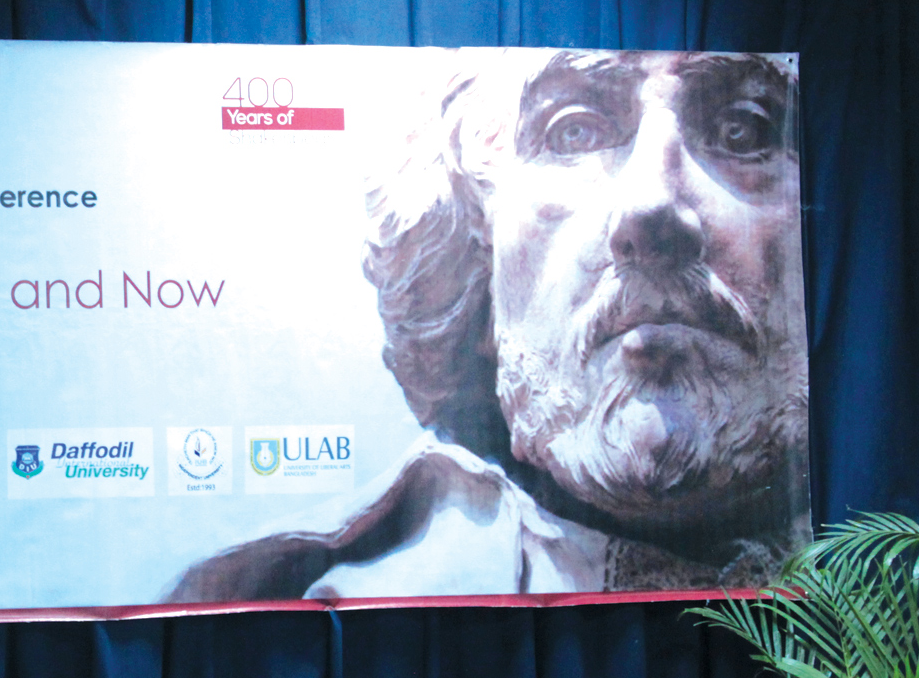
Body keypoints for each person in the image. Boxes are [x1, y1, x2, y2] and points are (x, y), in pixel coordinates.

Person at [169, 49, 810, 601]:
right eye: (574, 133)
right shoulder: (312, 604)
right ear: (478, 269)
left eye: (743, 132)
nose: (652, 208)